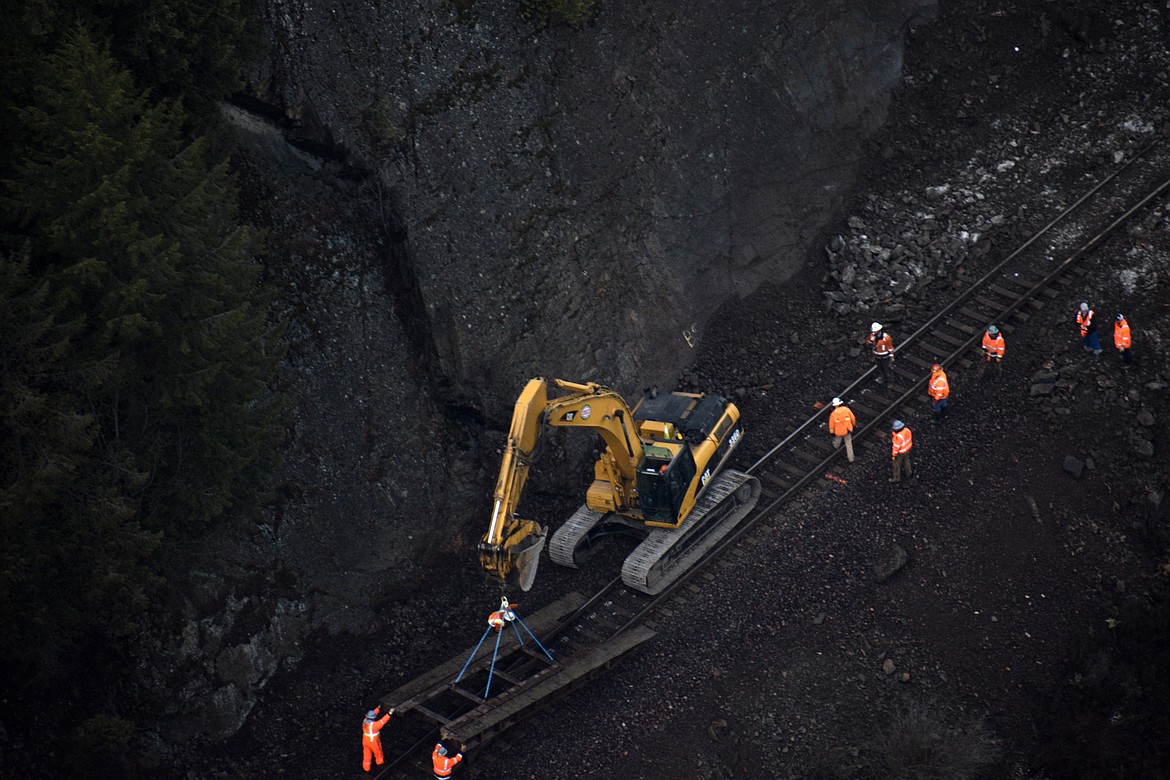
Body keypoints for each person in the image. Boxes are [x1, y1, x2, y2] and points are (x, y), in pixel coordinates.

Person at [361, 706, 395, 772]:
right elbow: (383, 721)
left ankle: (366, 767)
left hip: (365, 740)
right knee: (378, 752)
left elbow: (373, 713)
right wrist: (389, 713)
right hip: (373, 741)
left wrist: (378, 708)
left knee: (366, 753)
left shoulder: (364, 721)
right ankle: (379, 762)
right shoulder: (374, 725)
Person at [827, 397, 856, 463]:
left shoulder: (833, 414)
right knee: (848, 444)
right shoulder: (847, 410)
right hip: (847, 430)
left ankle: (835, 446)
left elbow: (831, 424)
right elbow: (853, 418)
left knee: (838, 438)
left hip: (839, 431)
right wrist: (853, 425)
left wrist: (832, 432)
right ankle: (851, 459)